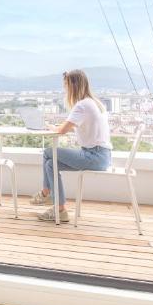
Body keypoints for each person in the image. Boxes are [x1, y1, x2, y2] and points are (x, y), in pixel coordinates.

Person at [37, 69, 112, 223]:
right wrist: (57, 127)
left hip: (93, 156)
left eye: (66, 85)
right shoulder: (94, 102)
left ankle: (46, 194)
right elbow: (72, 126)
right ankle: (60, 210)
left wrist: (48, 127)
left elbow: (62, 130)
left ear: (73, 86)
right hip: (102, 156)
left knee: (47, 152)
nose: (65, 89)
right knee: (51, 164)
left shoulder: (82, 105)